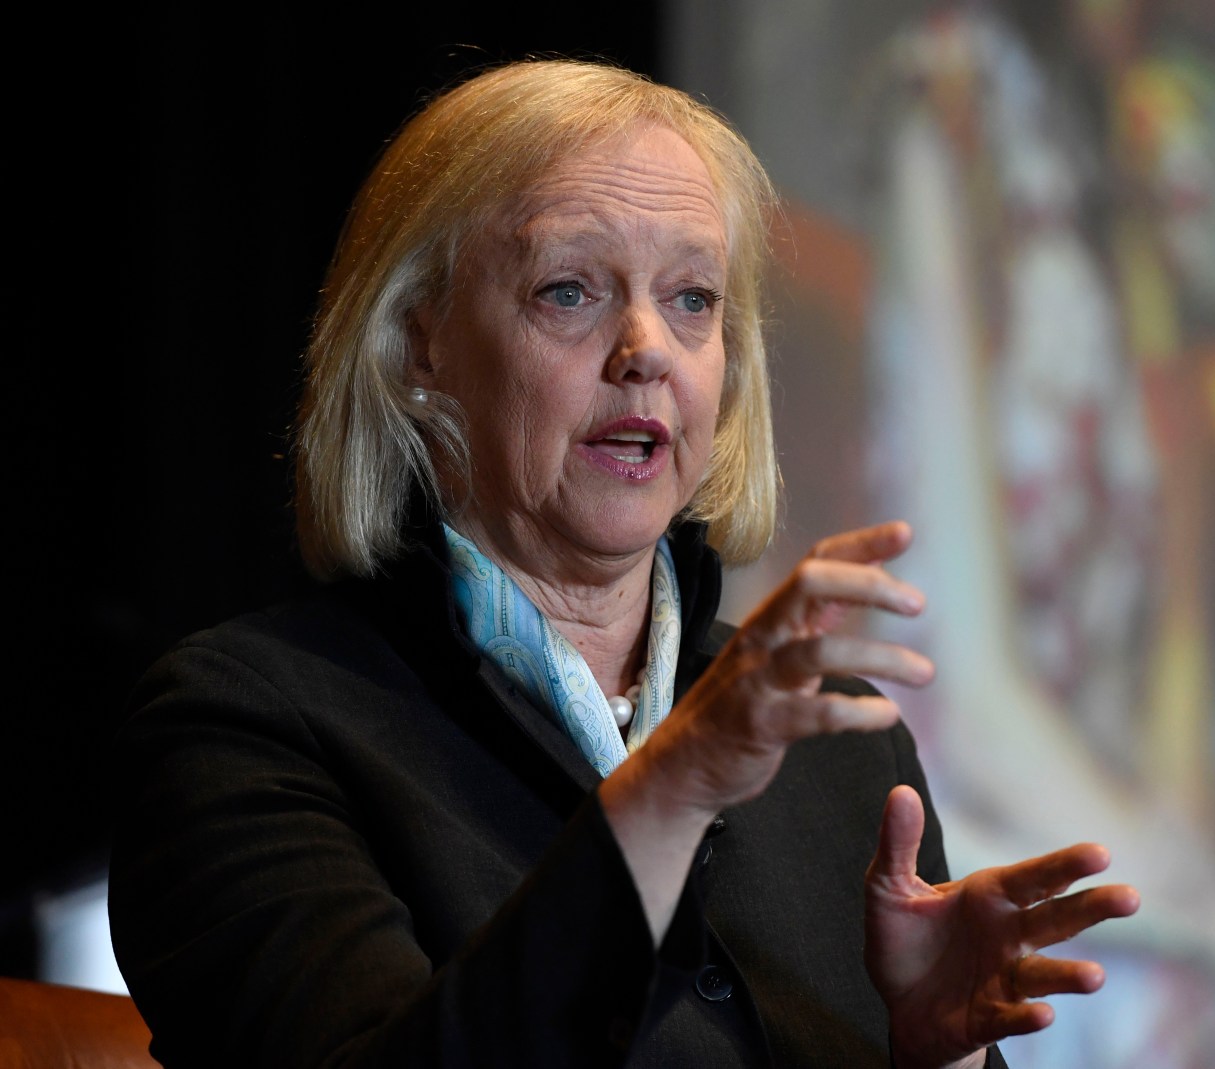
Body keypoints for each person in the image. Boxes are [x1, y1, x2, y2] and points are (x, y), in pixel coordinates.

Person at [108, 59, 1139, 1069]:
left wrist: (933, 1059)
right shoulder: (247, 723)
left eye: (692, 299)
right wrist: (672, 789)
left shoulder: (844, 747)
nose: (646, 346)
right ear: (421, 346)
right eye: (568, 290)